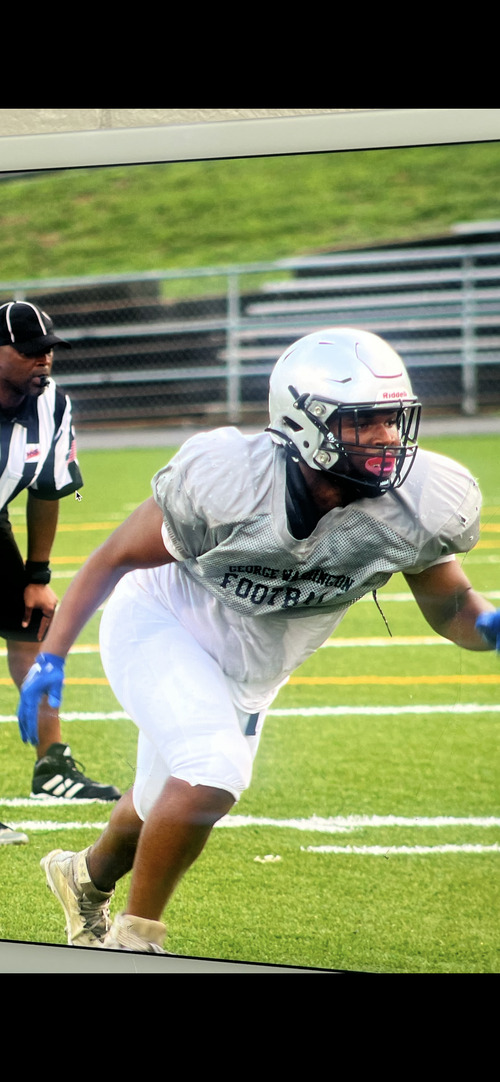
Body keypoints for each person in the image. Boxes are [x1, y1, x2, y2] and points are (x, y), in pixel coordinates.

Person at [17, 326, 500, 953]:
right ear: (302, 422)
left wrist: (487, 626)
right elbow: (113, 557)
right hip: (164, 621)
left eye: (392, 419)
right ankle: (135, 942)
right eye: (363, 422)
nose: (386, 437)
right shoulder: (232, 480)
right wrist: (51, 658)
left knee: (163, 797)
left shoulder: (416, 504)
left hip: (259, 662)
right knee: (210, 771)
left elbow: (452, 606)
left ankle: (84, 878)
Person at [0, 300, 121, 846]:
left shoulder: (52, 405)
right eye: (29, 351)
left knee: (33, 627)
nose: (43, 360)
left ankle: (52, 766)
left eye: (48, 350)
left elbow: (46, 490)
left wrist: (37, 575)